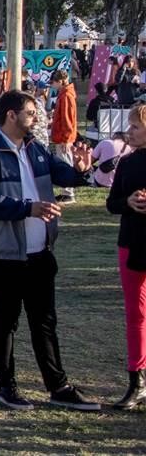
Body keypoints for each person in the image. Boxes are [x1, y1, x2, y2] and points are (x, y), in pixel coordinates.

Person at [0, 89, 99, 411]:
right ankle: (6, 387)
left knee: (44, 321)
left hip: (41, 250)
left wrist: (81, 170)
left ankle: (59, 387)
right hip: (3, 252)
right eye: (30, 112)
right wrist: (28, 208)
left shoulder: (34, 148)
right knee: (7, 319)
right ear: (11, 115)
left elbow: (61, 172)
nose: (35, 117)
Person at [107, 103, 146, 409]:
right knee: (136, 314)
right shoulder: (127, 162)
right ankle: (137, 379)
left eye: (135, 127)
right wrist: (127, 202)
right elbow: (111, 203)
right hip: (131, 242)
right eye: (130, 126)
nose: (129, 131)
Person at [49, 70, 78, 203]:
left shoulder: (66, 95)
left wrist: (66, 138)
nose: (52, 85)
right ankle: (66, 191)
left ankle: (69, 192)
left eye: (53, 82)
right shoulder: (64, 94)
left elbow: (67, 118)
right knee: (64, 161)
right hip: (61, 135)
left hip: (63, 136)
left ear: (60, 81)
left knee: (66, 162)